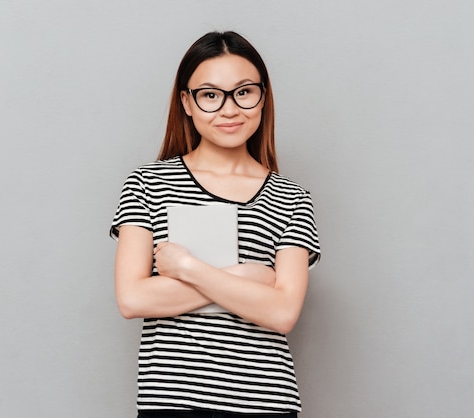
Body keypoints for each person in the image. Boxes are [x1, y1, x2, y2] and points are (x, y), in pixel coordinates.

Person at [110, 31, 321, 418]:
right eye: (210, 95)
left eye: (243, 92)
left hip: (266, 401)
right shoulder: (147, 184)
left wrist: (187, 269)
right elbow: (133, 299)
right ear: (187, 103)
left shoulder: (292, 198)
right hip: (172, 401)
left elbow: (282, 313)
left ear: (263, 97)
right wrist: (250, 277)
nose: (229, 109)